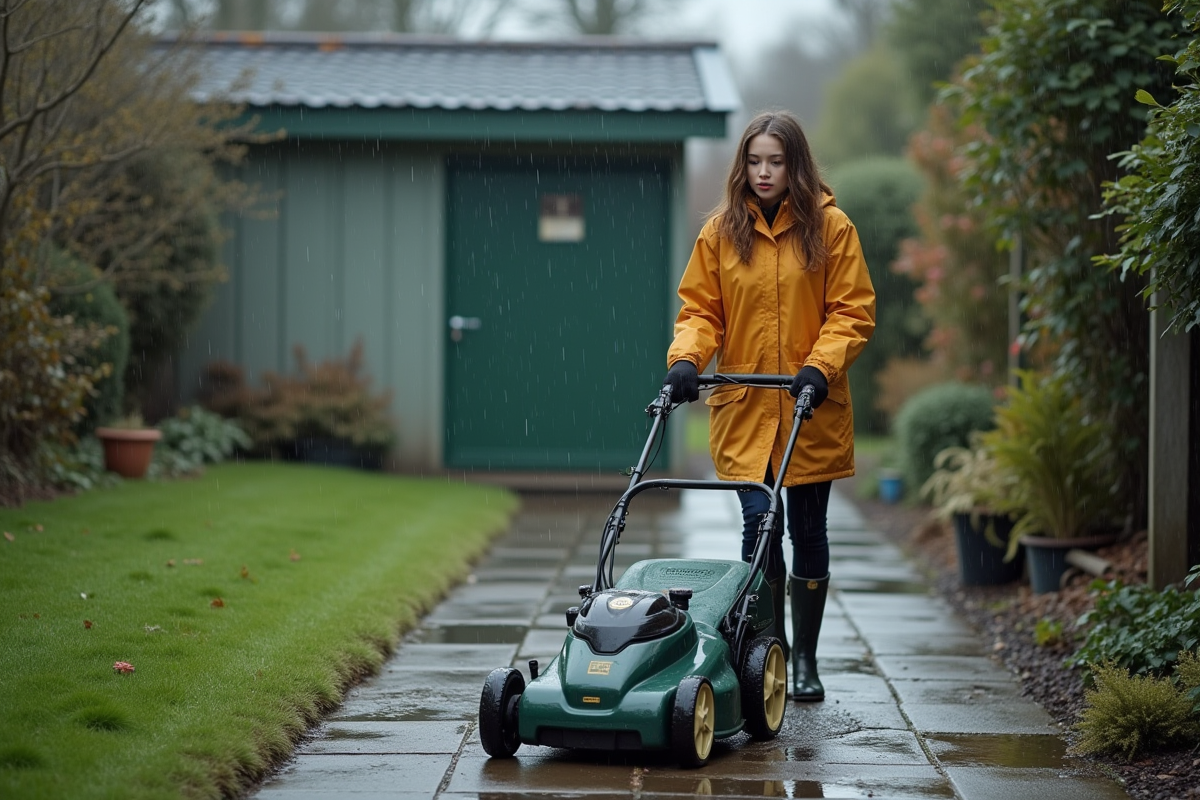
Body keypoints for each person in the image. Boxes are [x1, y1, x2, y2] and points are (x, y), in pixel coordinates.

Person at [663, 110, 875, 701]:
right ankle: (768, 652)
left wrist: (820, 366)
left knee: (808, 531)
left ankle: (804, 659)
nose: (763, 172)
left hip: (809, 405)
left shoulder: (832, 229)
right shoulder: (720, 233)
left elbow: (852, 310)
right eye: (754, 161)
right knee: (761, 527)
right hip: (748, 409)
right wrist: (687, 360)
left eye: (775, 162)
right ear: (743, 165)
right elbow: (701, 310)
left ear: (794, 165)